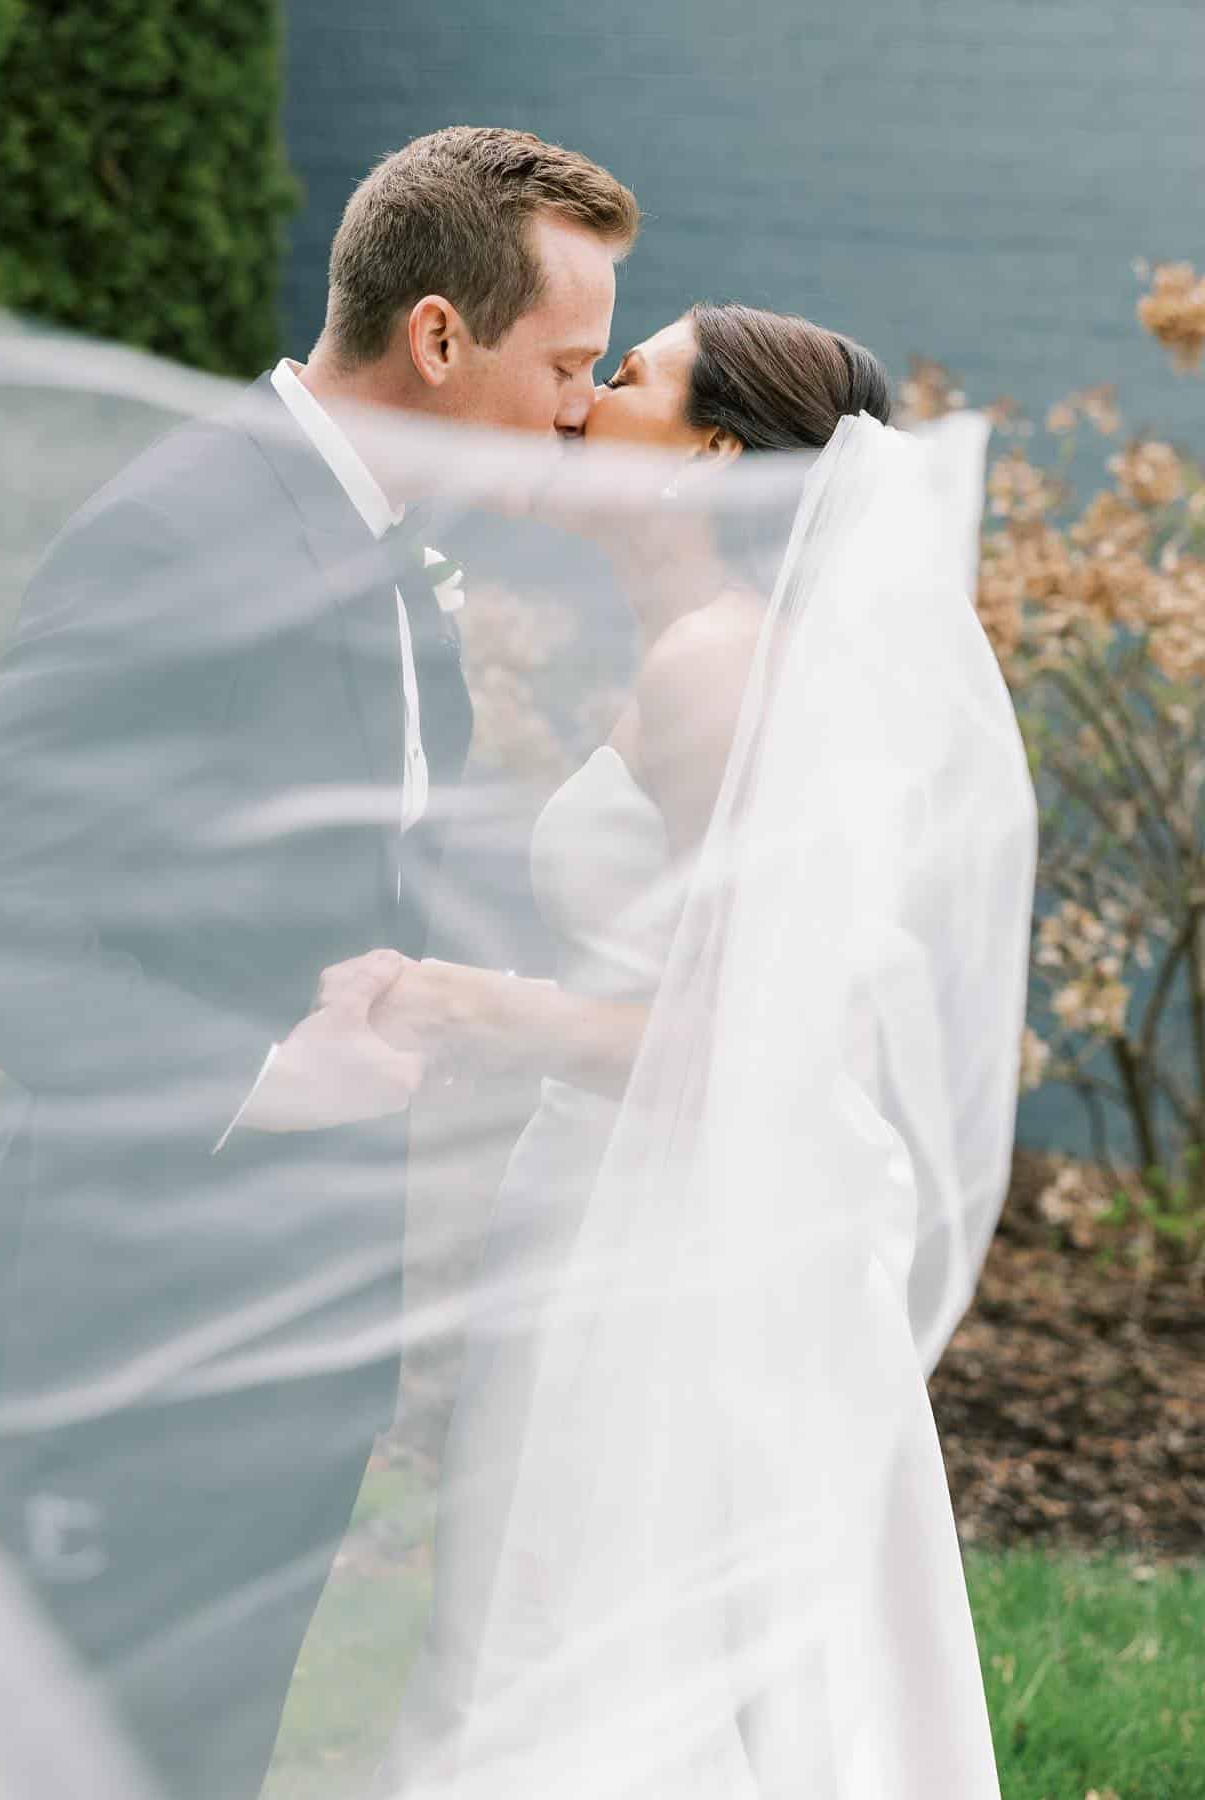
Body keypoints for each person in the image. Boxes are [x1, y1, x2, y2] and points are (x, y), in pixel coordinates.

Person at [0, 126, 639, 1800]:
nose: (584, 408)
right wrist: (255, 1076)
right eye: (564, 365)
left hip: (288, 1325)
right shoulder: (185, 530)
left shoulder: (383, 541)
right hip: (142, 1333)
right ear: (439, 337)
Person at [335, 304, 1034, 1797]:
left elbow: (744, 1048)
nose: (584, 394)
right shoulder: (702, 654)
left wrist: (475, 1007)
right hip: (627, 1205)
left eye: (626, 373)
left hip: (662, 1246)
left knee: (600, 1645)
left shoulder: (716, 669)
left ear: (712, 455)